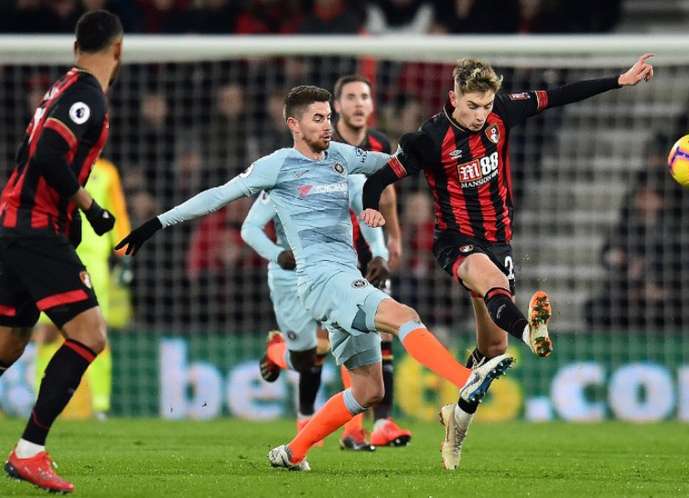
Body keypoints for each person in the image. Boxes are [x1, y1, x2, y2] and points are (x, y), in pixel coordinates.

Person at [116, 85, 513, 471]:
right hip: (321, 280)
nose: (328, 125)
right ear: (294, 124)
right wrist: (155, 223)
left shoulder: (340, 155)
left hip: (346, 276)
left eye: (329, 117)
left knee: (368, 390)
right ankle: (466, 381)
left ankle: (292, 451)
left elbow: (390, 163)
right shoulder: (277, 165)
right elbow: (218, 195)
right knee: (403, 315)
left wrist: (433, 146)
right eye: (319, 118)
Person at [360, 54, 655, 469]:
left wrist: (620, 81)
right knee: (490, 280)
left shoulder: (503, 111)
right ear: (453, 97)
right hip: (456, 241)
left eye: (485, 105)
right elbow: (378, 179)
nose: (481, 115)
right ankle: (530, 332)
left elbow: (558, 96)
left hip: (500, 240)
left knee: (491, 348)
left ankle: (456, 420)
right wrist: (371, 208)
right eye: (472, 106)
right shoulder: (428, 138)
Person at [0, 10, 123, 493]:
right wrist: (90, 209)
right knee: (90, 334)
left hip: (15, 224)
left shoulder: (60, 89)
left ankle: (29, 451)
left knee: (10, 345)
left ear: (76, 47)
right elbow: (49, 154)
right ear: (118, 50)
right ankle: (29, 451)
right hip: (33, 230)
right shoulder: (85, 96)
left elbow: (25, 154)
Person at [241, 174, 389, 452]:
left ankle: (347, 430)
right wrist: (277, 254)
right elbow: (249, 228)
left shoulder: (344, 178)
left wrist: (381, 253)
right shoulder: (280, 179)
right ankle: (277, 352)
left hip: (333, 272)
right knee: (308, 356)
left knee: (346, 335)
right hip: (289, 277)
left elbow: (367, 214)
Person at [331, 74, 411, 449]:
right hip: (334, 251)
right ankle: (351, 426)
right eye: (351, 97)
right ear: (336, 106)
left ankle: (383, 423)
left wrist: (393, 237)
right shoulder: (324, 143)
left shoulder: (380, 143)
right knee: (341, 335)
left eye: (364, 96)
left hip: (372, 250)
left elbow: (389, 196)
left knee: (382, 333)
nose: (359, 103)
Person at [34, 157, 132, 420]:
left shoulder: (108, 171)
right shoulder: (54, 165)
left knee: (97, 331)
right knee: (47, 331)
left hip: (95, 262)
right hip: (56, 254)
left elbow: (118, 211)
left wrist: (124, 255)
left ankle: (100, 405)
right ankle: (40, 402)